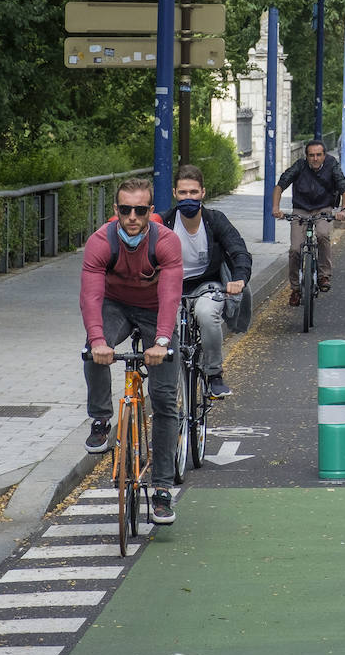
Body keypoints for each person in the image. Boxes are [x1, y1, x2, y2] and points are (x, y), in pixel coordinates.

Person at [80, 177, 184, 525]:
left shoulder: (166, 242)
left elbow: (170, 295)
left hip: (156, 310)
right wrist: (98, 341)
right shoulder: (100, 242)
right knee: (90, 350)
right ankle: (101, 419)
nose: (133, 217)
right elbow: (91, 296)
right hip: (116, 306)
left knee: (165, 398)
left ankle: (163, 490)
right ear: (116, 211)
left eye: (141, 210)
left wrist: (163, 342)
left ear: (150, 211)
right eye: (126, 210)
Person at [162, 165, 253, 398]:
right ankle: (165, 379)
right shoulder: (164, 224)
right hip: (171, 286)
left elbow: (239, 251)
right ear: (175, 193)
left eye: (193, 192)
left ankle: (214, 374)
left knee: (205, 314)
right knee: (164, 324)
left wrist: (239, 279)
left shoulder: (214, 221)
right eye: (183, 193)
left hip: (206, 284)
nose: (188, 198)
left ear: (203, 193)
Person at [273, 139, 345, 306]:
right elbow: (280, 185)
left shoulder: (332, 165)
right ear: (306, 156)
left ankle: (324, 275)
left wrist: (343, 210)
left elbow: (344, 188)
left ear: (324, 155)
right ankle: (295, 288)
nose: (315, 158)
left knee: (323, 234)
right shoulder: (299, 166)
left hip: (323, 208)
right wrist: (275, 208)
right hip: (301, 209)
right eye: (311, 155)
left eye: (318, 155)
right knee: (295, 249)